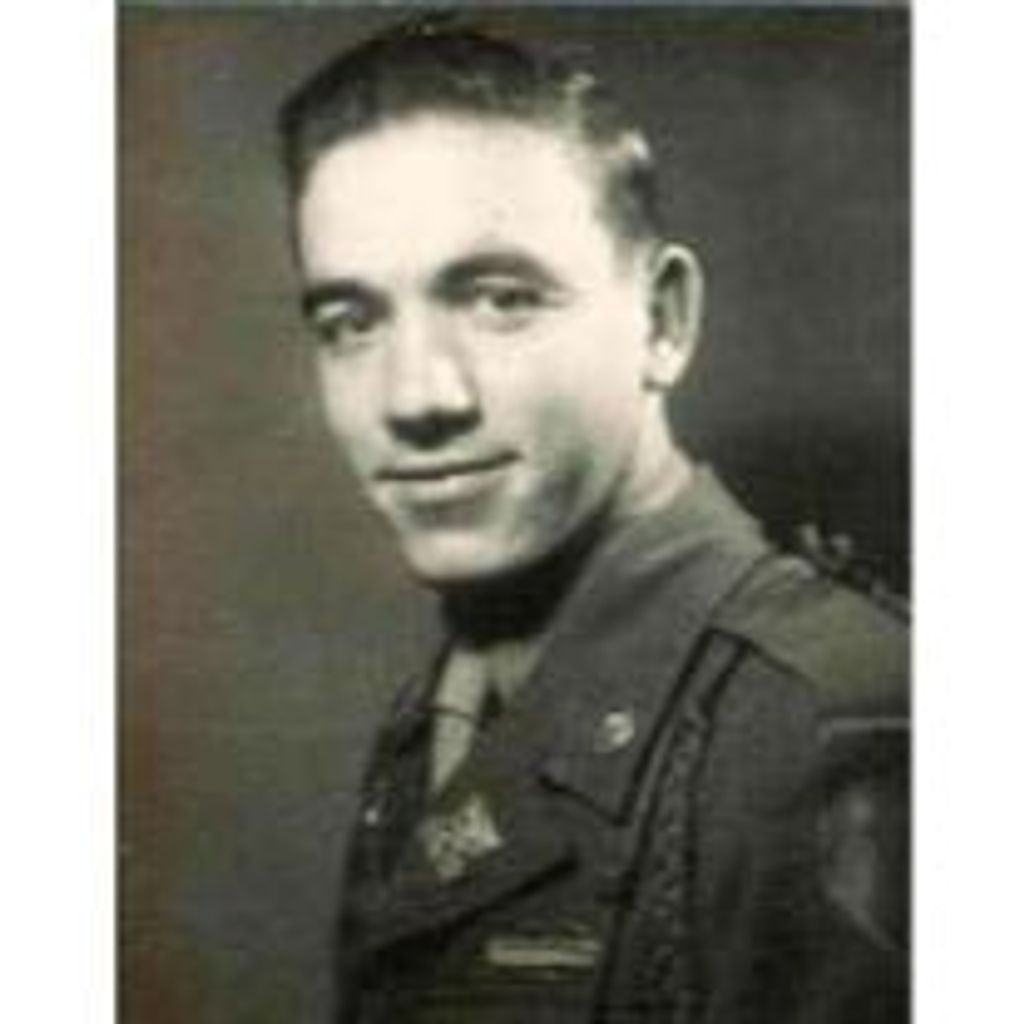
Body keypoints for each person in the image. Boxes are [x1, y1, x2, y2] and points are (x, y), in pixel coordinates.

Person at [277, 16, 909, 1023]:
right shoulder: (435, 722)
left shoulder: (835, 730)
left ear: (662, 322)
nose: (416, 396)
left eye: (500, 299)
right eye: (351, 323)